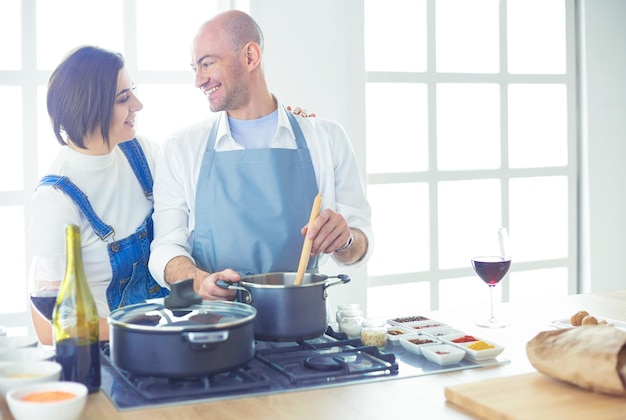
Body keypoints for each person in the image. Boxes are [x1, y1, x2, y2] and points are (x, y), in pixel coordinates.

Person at [148, 10, 373, 300]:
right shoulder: (181, 147)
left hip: (302, 323)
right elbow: (165, 249)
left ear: (250, 57)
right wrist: (199, 280)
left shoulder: (327, 139)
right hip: (216, 325)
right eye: (195, 67)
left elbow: (360, 248)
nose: (198, 80)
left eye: (207, 64)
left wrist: (346, 239)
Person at [28, 46, 169, 345]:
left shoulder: (143, 153)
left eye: (132, 91)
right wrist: (138, 329)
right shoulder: (56, 197)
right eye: (123, 98)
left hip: (164, 340)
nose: (138, 105)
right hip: (104, 356)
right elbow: (48, 328)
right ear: (89, 108)